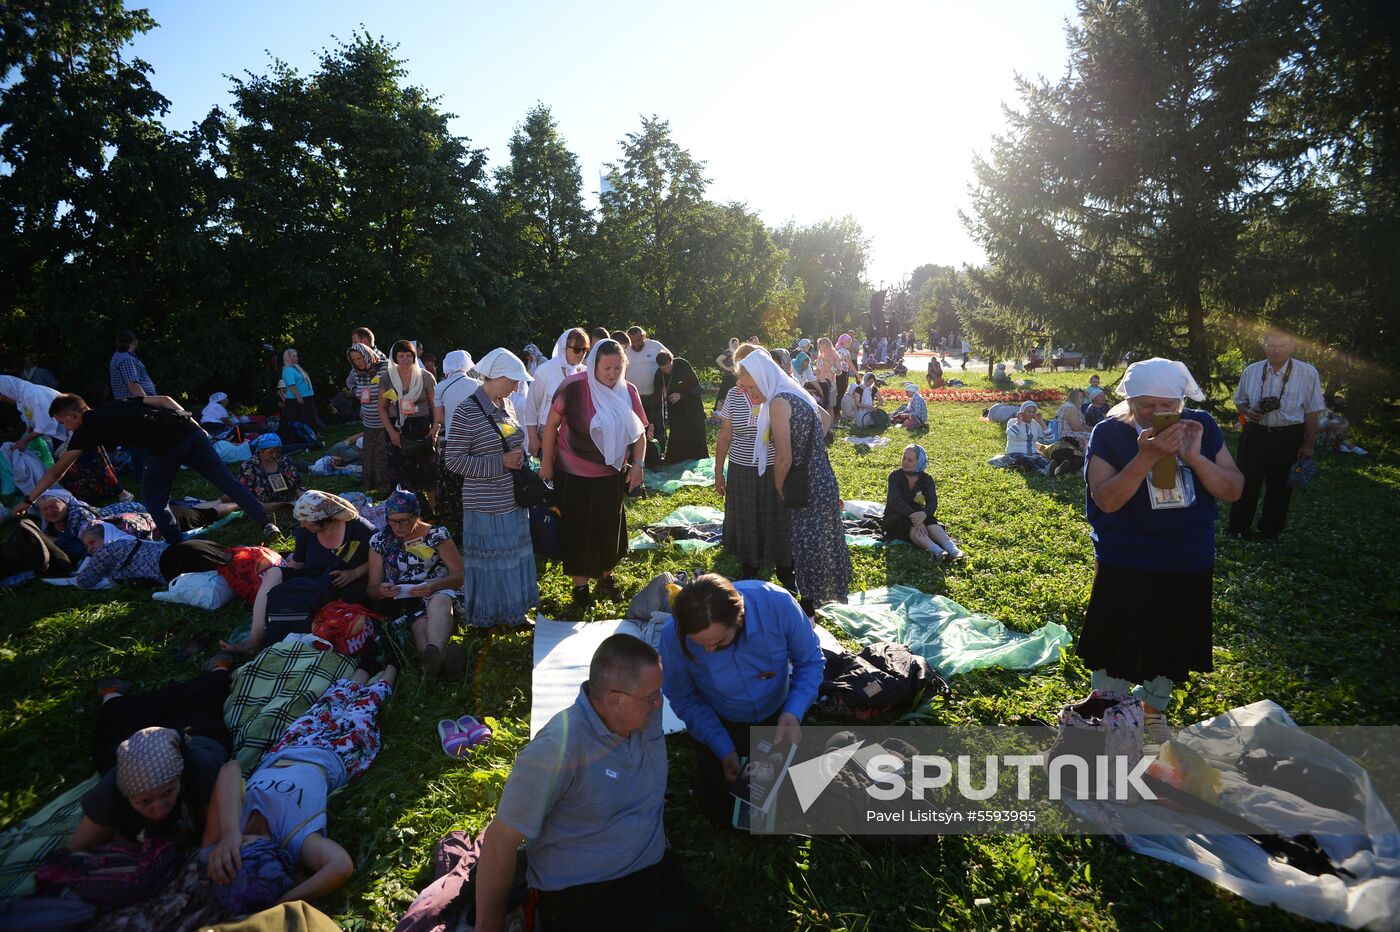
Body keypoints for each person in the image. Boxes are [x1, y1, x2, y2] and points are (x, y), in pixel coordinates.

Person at [473, 636, 717, 932]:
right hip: (582, 891)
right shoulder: (556, 750)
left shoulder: (643, 715)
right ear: (615, 700)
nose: (660, 703)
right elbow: (500, 840)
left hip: (651, 866)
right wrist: (488, 925)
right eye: (652, 696)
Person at [1076, 358, 1243, 745]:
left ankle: (1153, 709)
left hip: (1187, 557)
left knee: (1171, 640)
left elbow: (1233, 489)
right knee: (1116, 641)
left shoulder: (1201, 426)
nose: (1156, 413)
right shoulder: (1110, 432)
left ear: (1181, 402)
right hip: (1126, 558)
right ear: (1130, 401)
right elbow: (1107, 500)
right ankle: (1108, 711)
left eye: (1167, 406)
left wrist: (1195, 457)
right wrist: (1146, 458)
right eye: (1146, 405)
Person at [202, 665, 398, 914]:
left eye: (242, 850)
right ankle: (391, 667)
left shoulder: (224, 839)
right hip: (336, 754)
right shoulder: (295, 840)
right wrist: (283, 902)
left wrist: (229, 834)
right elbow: (341, 865)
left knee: (332, 699)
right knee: (367, 704)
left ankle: (366, 664)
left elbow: (230, 769)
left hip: (288, 747)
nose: (248, 841)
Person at [661, 574, 822, 819]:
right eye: (699, 644)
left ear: (739, 618)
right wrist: (722, 747)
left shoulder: (777, 605)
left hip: (780, 714)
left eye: (719, 642)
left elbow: (810, 661)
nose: (709, 651)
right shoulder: (672, 636)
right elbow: (683, 698)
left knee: (792, 802)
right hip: (721, 721)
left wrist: (794, 710)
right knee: (727, 810)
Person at [16, 393, 275, 542]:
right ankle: (266, 523)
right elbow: (165, 400)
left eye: (63, 422)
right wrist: (195, 425)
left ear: (72, 415)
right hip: (189, 433)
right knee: (225, 480)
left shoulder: (86, 429)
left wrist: (29, 500)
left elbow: (57, 471)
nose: (64, 427)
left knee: (154, 501)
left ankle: (177, 544)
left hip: (163, 448)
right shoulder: (118, 403)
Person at [737, 349, 849, 619]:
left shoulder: (777, 402)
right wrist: (809, 446)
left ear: (764, 378)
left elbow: (783, 458)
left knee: (806, 546)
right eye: (745, 388)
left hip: (804, 484)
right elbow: (826, 418)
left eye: (752, 387)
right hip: (822, 476)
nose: (749, 394)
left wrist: (779, 486)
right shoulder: (794, 391)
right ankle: (813, 606)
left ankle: (808, 613)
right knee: (819, 543)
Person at [540, 340, 647, 606]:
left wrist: (638, 464)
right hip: (572, 472)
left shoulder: (628, 391)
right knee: (578, 528)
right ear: (593, 366)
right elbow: (551, 426)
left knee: (608, 527)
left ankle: (605, 579)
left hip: (611, 474)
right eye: (606, 368)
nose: (612, 374)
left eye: (617, 368)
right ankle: (580, 588)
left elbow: (639, 434)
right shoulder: (573, 387)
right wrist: (546, 464)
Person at [441, 348, 538, 631]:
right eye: (514, 381)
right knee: (490, 565)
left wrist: (519, 454)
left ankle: (514, 613)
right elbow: (453, 460)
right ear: (497, 377)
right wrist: (500, 462)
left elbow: (511, 439)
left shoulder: (505, 404)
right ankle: (488, 620)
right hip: (485, 503)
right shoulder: (467, 410)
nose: (517, 387)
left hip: (512, 498)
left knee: (513, 559)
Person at [222, 490, 376, 655]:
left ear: (322, 518)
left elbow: (381, 556)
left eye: (305, 521)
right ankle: (254, 639)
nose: (302, 525)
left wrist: (355, 573)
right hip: (313, 579)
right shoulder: (306, 532)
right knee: (273, 574)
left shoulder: (359, 528)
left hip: (345, 584)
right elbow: (298, 563)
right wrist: (285, 584)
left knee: (352, 596)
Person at [67, 723, 230, 853]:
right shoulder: (109, 793)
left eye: (168, 792)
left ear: (180, 777)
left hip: (202, 733)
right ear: (126, 795)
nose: (159, 809)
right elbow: (74, 854)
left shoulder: (201, 769)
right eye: (145, 801)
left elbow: (212, 833)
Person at [1227, 331, 1326, 539]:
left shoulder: (1307, 372)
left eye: (1282, 346)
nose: (1276, 350)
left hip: (1288, 435)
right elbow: (1239, 401)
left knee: (1280, 485)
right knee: (1246, 481)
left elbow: (1313, 410)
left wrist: (1308, 443)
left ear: (1291, 347)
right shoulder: (1252, 370)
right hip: (1255, 433)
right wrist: (1248, 412)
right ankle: (1238, 528)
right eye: (1271, 345)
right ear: (1264, 347)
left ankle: (1270, 531)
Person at [715, 345, 795, 590]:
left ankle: (784, 567)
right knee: (746, 515)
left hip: (773, 466)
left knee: (775, 514)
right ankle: (749, 565)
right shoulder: (733, 395)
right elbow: (725, 435)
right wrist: (718, 472)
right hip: (741, 467)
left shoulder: (775, 394)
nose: (743, 378)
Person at [368, 489, 464, 681]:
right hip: (405, 598)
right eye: (392, 521)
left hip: (439, 589)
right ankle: (441, 662)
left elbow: (461, 575)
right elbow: (371, 589)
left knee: (439, 601)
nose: (397, 526)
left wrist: (433, 585)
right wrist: (382, 590)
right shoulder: (380, 541)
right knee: (419, 623)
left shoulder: (436, 534)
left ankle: (434, 660)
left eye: (403, 520)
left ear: (416, 515)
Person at [379, 339, 441, 515]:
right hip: (397, 427)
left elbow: (435, 404)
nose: (406, 359)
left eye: (409, 355)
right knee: (402, 473)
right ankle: (408, 513)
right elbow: (382, 407)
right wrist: (391, 432)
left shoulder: (425, 376)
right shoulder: (387, 378)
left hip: (422, 427)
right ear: (395, 358)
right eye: (401, 356)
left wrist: (435, 428)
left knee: (429, 472)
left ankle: (434, 512)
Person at [72, 521, 229, 589]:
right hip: (187, 551)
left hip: (177, 562)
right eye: (86, 547)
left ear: (106, 535)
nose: (90, 549)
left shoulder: (108, 549)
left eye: (92, 542)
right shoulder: (129, 541)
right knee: (234, 559)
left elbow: (84, 581)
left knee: (234, 569)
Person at [432, 349, 480, 540]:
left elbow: (438, 418)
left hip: (453, 441)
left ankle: (457, 528)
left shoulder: (441, 387)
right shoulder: (478, 385)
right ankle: (477, 525)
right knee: (474, 486)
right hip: (476, 441)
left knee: (453, 487)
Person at [884, 444, 963, 559]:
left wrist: (924, 514)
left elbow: (932, 501)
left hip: (918, 514)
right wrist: (915, 518)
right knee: (907, 523)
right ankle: (936, 550)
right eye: (904, 458)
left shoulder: (926, 479)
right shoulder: (895, 476)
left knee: (930, 521)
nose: (905, 462)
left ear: (919, 462)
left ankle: (952, 548)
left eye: (910, 460)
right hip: (895, 515)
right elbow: (895, 500)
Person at [522, 329, 589, 456]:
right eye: (576, 349)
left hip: (574, 436)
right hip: (546, 433)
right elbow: (531, 406)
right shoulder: (545, 370)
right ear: (564, 348)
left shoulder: (585, 373)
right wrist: (533, 438)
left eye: (584, 350)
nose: (581, 354)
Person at [346, 343, 391, 495]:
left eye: (359, 358)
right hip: (367, 421)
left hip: (384, 421)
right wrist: (356, 390)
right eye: (354, 360)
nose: (358, 362)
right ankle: (370, 487)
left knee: (382, 456)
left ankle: (384, 489)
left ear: (367, 355)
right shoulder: (356, 372)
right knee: (368, 455)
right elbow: (349, 382)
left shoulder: (384, 367)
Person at [654, 351, 708, 463]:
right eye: (664, 369)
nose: (667, 370)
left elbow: (694, 382)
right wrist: (662, 393)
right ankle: (679, 458)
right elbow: (657, 391)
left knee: (696, 429)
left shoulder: (682, 364)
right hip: (675, 406)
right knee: (678, 432)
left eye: (669, 367)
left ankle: (697, 457)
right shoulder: (658, 374)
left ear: (672, 361)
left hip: (692, 402)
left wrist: (681, 394)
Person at [238, 433, 305, 517]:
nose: (274, 455)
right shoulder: (249, 467)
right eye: (270, 452)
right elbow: (245, 494)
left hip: (289, 501)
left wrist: (303, 498)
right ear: (261, 451)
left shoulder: (284, 461)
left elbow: (298, 484)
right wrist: (264, 506)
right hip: (263, 505)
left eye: (278, 452)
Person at [624, 326, 669, 435]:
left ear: (644, 337)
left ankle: (660, 445)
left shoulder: (655, 345)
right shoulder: (625, 349)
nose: (635, 344)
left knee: (658, 425)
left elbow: (669, 360)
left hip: (655, 394)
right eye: (632, 341)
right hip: (634, 396)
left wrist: (666, 383)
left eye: (638, 340)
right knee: (638, 427)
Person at [279, 348, 324, 429]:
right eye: (293, 356)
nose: (296, 358)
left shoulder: (296, 368)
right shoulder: (287, 370)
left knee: (309, 418)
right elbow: (291, 385)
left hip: (307, 396)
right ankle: (302, 434)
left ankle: (311, 432)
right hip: (296, 399)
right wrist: (298, 397)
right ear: (287, 358)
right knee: (300, 420)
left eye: (296, 356)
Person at [1003, 401, 1052, 473]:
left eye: (1033, 412)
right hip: (1015, 453)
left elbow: (1050, 439)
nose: (1031, 414)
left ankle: (1055, 470)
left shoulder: (1035, 423)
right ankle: (1043, 471)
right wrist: (1019, 421)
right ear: (1022, 412)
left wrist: (1041, 422)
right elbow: (1011, 434)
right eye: (1029, 411)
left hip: (1033, 453)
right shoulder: (1012, 422)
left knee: (1041, 460)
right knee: (1028, 461)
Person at [109, 330, 155, 400]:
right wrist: (147, 401)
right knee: (167, 400)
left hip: (131, 400)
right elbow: (133, 385)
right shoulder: (126, 359)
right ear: (135, 342)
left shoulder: (119, 356)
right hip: (134, 402)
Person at [714, 337, 740, 416]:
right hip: (728, 377)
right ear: (731, 344)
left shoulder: (738, 353)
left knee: (735, 395)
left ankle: (733, 411)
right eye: (734, 344)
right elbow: (718, 360)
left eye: (737, 344)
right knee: (725, 394)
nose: (736, 345)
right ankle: (719, 413)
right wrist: (726, 368)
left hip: (736, 377)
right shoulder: (728, 352)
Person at [814, 337, 840, 413]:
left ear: (825, 345)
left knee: (830, 408)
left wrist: (830, 366)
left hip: (830, 385)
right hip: (820, 384)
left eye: (820, 345)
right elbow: (818, 369)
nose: (818, 347)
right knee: (820, 406)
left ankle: (830, 421)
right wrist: (814, 372)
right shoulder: (820, 356)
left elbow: (839, 372)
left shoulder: (835, 356)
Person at [834, 334, 855, 411]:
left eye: (850, 342)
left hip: (836, 372)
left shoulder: (836, 349)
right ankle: (838, 408)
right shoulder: (845, 351)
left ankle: (835, 408)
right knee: (842, 389)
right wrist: (857, 374)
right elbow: (850, 364)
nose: (849, 344)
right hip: (843, 373)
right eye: (848, 342)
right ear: (843, 341)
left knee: (836, 390)